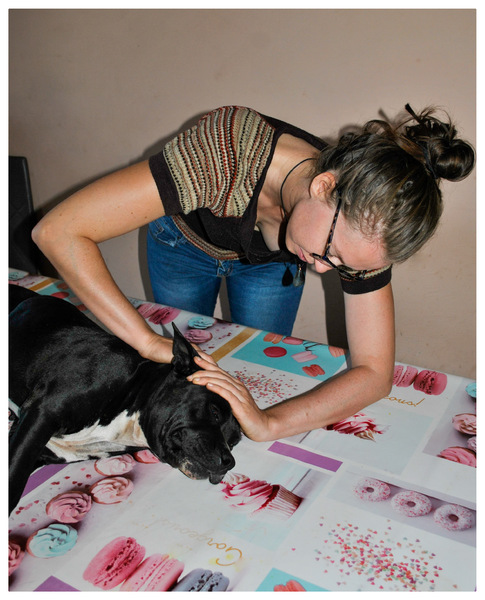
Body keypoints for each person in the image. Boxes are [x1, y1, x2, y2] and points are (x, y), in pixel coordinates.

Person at [32, 104, 475, 442]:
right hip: (184, 245)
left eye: (344, 266)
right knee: (174, 370)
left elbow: (375, 372)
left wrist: (269, 423)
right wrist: (147, 341)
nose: (323, 269)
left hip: (272, 265)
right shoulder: (222, 152)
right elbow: (57, 232)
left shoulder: (366, 231)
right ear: (324, 185)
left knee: (252, 373)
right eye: (330, 253)